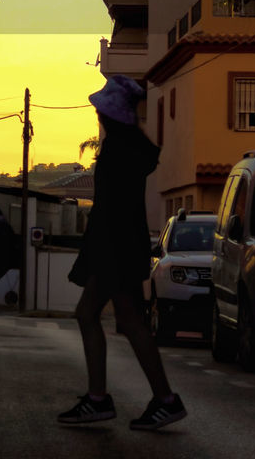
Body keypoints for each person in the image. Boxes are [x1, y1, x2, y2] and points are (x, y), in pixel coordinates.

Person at [58, 75, 187, 431]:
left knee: (111, 318)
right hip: (122, 245)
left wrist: (96, 248)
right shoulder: (129, 148)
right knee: (117, 320)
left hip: (113, 246)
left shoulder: (118, 150)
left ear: (109, 114)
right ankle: (121, 398)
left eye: (100, 109)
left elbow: (110, 207)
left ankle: (147, 398)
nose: (97, 114)